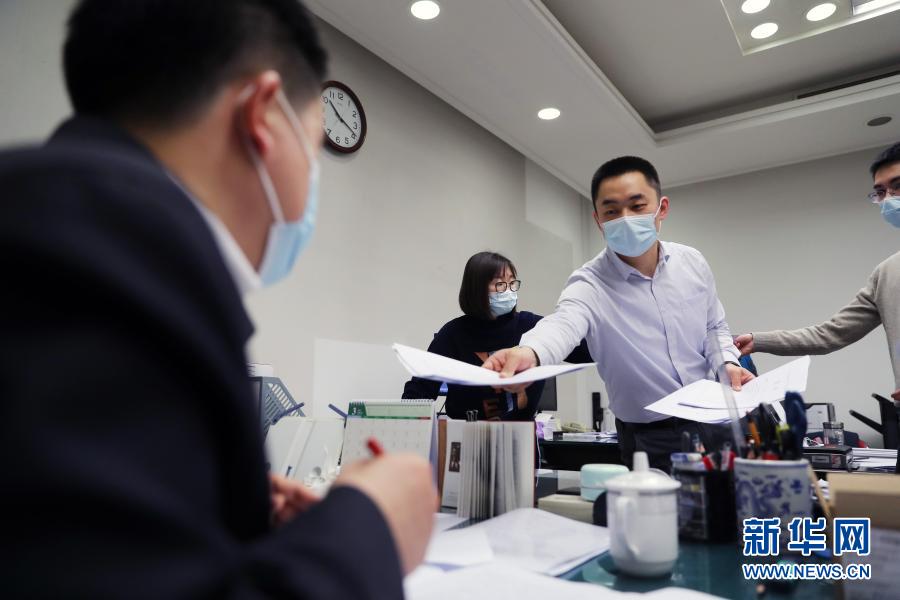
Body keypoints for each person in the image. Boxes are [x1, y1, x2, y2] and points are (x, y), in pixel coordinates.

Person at [0, 1, 436, 598]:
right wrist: (369, 525)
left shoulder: (62, 220)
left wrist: (219, 507)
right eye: (313, 149)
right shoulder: (110, 260)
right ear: (262, 115)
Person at [481, 157, 754, 470]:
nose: (625, 219)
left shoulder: (692, 262)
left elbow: (714, 327)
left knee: (732, 501)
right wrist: (530, 352)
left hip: (716, 419)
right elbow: (563, 323)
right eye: (611, 211)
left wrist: (727, 363)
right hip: (651, 437)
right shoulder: (590, 282)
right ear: (598, 219)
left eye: (637, 206)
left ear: (661, 208)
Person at [735, 141, 900, 404]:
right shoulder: (888, 273)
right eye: (881, 192)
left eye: (897, 186)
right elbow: (830, 335)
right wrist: (758, 341)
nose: (889, 198)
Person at [401, 251, 591, 420]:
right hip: (466, 434)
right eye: (499, 284)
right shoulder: (452, 334)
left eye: (512, 283)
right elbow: (419, 391)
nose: (508, 290)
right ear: (477, 290)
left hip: (521, 435)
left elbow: (584, 351)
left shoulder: (530, 325)